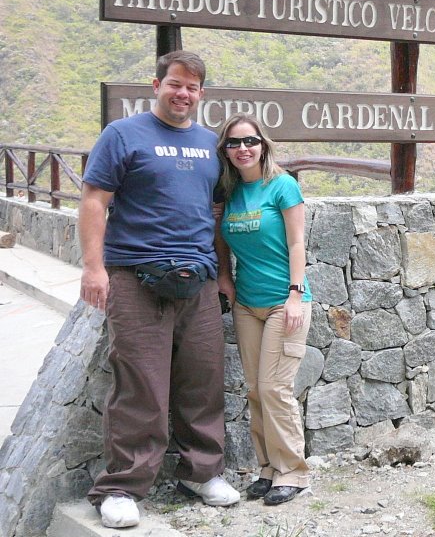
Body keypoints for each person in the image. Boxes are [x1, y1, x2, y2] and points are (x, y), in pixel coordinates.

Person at [80, 50, 240, 528]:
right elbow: (94, 200)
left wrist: (223, 273)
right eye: (175, 84)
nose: (182, 93)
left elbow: (215, 216)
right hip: (135, 275)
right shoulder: (123, 135)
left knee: (202, 379)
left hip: (199, 277)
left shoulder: (209, 144)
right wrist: (93, 268)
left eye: (192, 87)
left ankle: (201, 472)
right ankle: (122, 488)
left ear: (201, 94)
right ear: (156, 85)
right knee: (140, 383)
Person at [216, 113, 312, 505]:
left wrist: (294, 294)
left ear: (263, 145)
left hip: (283, 303)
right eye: (234, 143)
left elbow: (297, 244)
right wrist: (225, 275)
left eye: (250, 141)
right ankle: (268, 469)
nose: (243, 149)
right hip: (247, 303)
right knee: (256, 390)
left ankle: (293, 472)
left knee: (275, 388)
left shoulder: (282, 186)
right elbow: (221, 238)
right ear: (225, 151)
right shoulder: (230, 192)